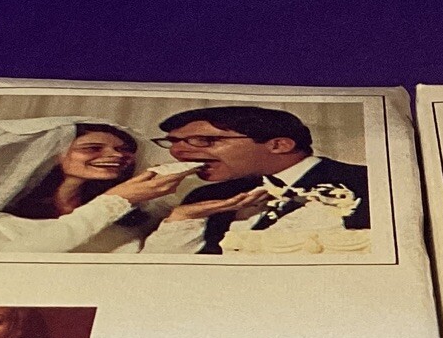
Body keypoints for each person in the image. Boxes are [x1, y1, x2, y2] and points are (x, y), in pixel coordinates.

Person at [0, 117, 184, 254]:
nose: (117, 156)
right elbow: (8, 262)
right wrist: (115, 200)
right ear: (51, 155)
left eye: (123, 150)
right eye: (93, 148)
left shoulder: (138, 216)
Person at [141, 106, 373, 257]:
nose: (177, 152)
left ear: (279, 145)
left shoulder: (369, 183)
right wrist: (182, 218)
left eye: (204, 140)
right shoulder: (204, 196)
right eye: (172, 142)